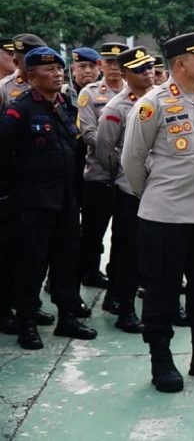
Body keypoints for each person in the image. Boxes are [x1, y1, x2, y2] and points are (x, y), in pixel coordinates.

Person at [121, 31, 194, 393]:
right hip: (165, 217)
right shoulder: (153, 104)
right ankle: (161, 360)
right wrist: (155, 196)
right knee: (162, 290)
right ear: (179, 64)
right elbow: (132, 159)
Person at [0, 47, 97, 349]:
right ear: (30, 76)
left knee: (66, 260)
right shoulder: (20, 110)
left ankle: (67, 317)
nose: (56, 74)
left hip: (66, 200)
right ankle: (27, 322)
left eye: (58, 68)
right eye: (48, 70)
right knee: (31, 263)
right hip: (32, 203)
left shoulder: (65, 105)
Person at [94, 46, 156, 333]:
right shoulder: (116, 107)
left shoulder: (163, 99)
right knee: (127, 251)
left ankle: (150, 302)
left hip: (160, 187)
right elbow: (105, 149)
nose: (149, 73)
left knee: (157, 250)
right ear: (127, 74)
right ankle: (124, 307)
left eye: (151, 67)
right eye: (141, 70)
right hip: (129, 188)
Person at [77, 41, 128, 294]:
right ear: (101, 65)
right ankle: (89, 272)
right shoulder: (89, 93)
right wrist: (124, 152)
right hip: (99, 174)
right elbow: (88, 133)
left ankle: (118, 278)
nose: (115, 68)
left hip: (129, 177)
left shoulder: (135, 92)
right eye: (109, 62)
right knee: (92, 233)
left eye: (120, 63)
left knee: (124, 235)